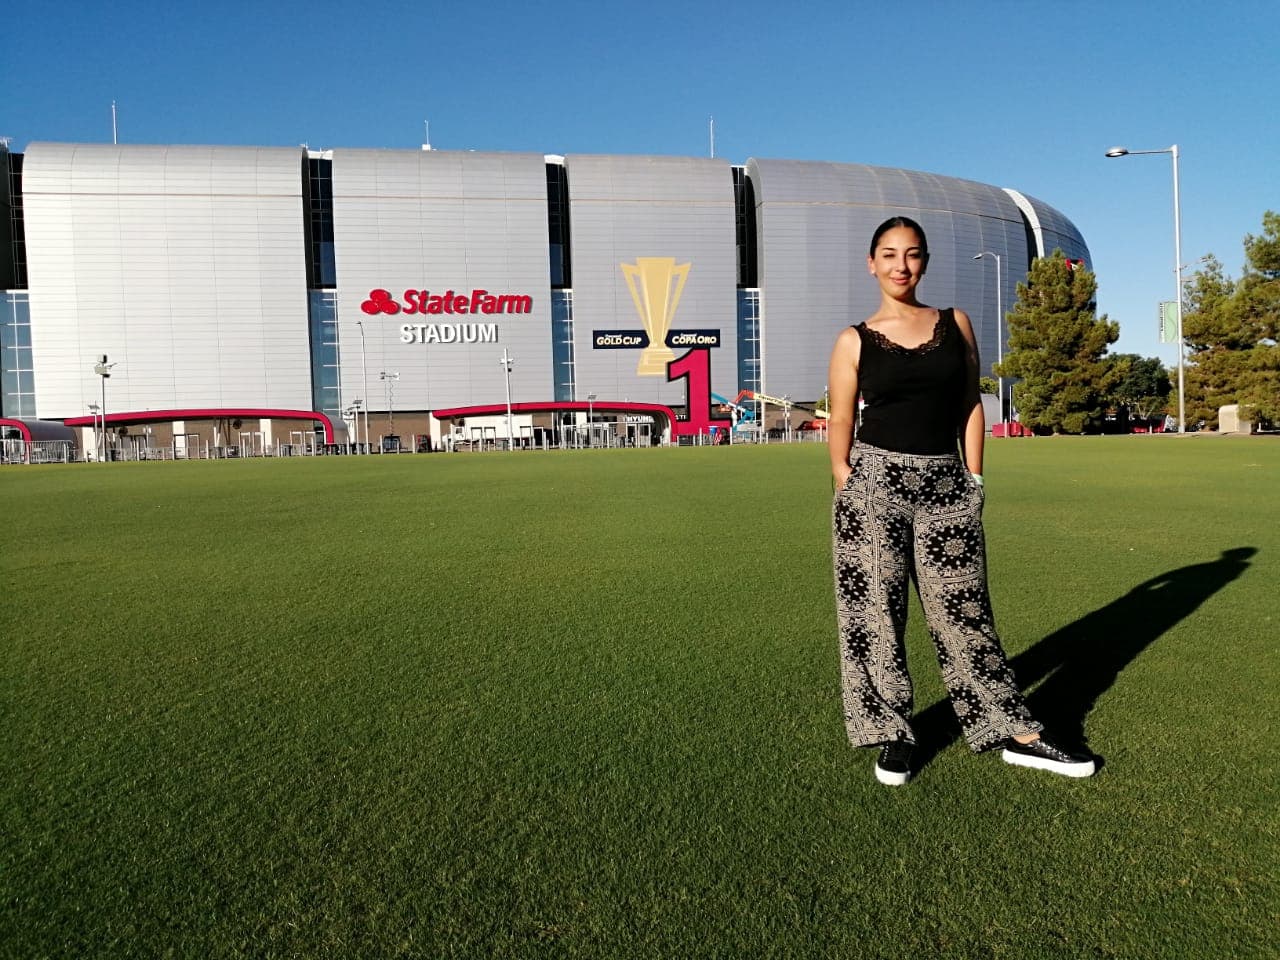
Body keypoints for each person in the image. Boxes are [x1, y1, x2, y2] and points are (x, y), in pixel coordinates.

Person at [827, 216, 1095, 786]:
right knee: (874, 615)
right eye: (890, 254)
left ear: (924, 262)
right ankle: (892, 731)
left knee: (964, 612)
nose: (902, 265)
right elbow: (843, 418)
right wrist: (843, 479)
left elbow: (971, 402)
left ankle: (1013, 728)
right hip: (874, 485)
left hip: (947, 484)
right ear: (871, 263)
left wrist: (974, 478)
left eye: (914, 254)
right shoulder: (853, 339)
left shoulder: (954, 323)